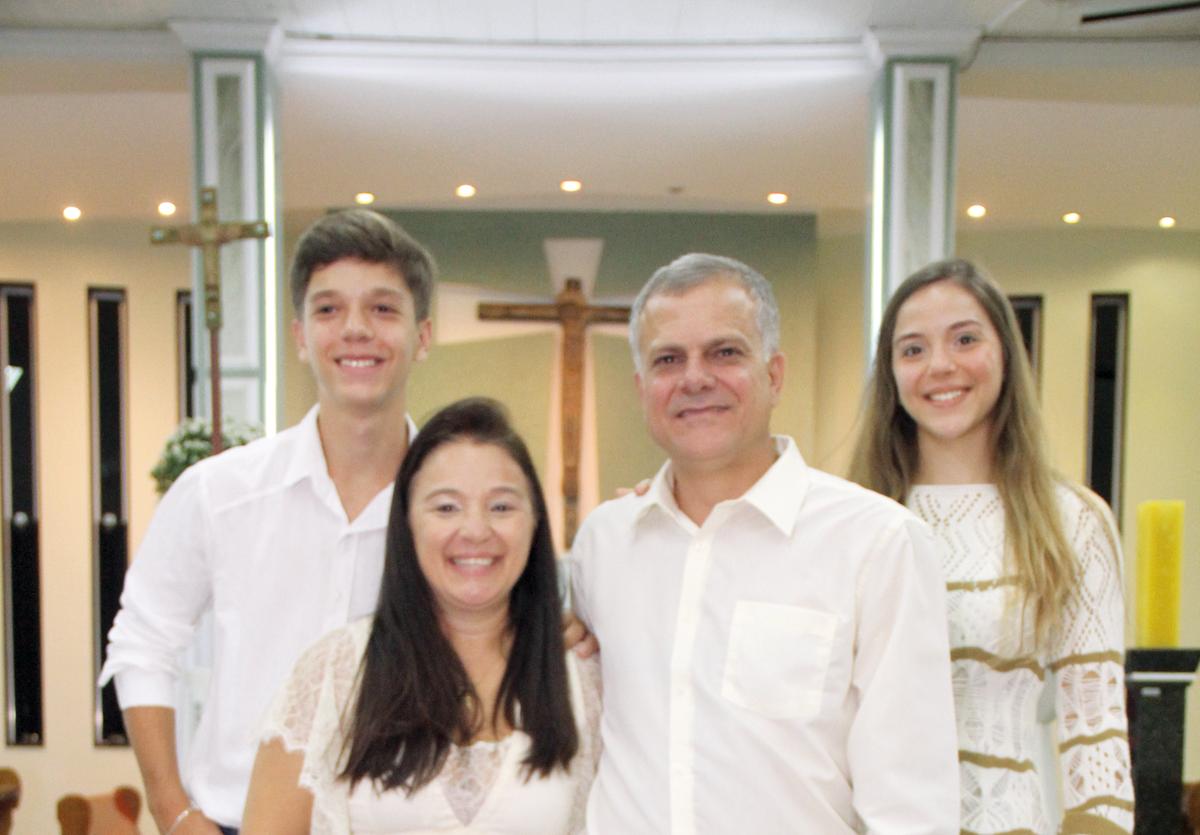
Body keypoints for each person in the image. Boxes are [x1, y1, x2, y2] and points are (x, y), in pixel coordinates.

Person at [569, 253, 960, 833]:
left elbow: (911, 805)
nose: (695, 378)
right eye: (668, 359)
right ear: (642, 386)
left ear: (774, 374)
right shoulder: (603, 544)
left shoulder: (876, 544)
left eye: (725, 353)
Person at [101, 209, 439, 835]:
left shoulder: (453, 513)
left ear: (422, 335)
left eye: (383, 309)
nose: (356, 330)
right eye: (329, 310)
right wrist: (172, 809)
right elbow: (143, 640)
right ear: (300, 335)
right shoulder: (219, 493)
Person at [848, 258, 1134, 834]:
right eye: (913, 349)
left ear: (1004, 352)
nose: (941, 366)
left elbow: (1096, 730)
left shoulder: (1071, 519)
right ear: (891, 374)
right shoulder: (851, 520)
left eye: (965, 339)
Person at [241, 397, 601, 833]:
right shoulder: (333, 673)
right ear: (407, 522)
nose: (475, 530)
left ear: (536, 522)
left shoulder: (583, 678)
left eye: (501, 506)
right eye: (446, 507)